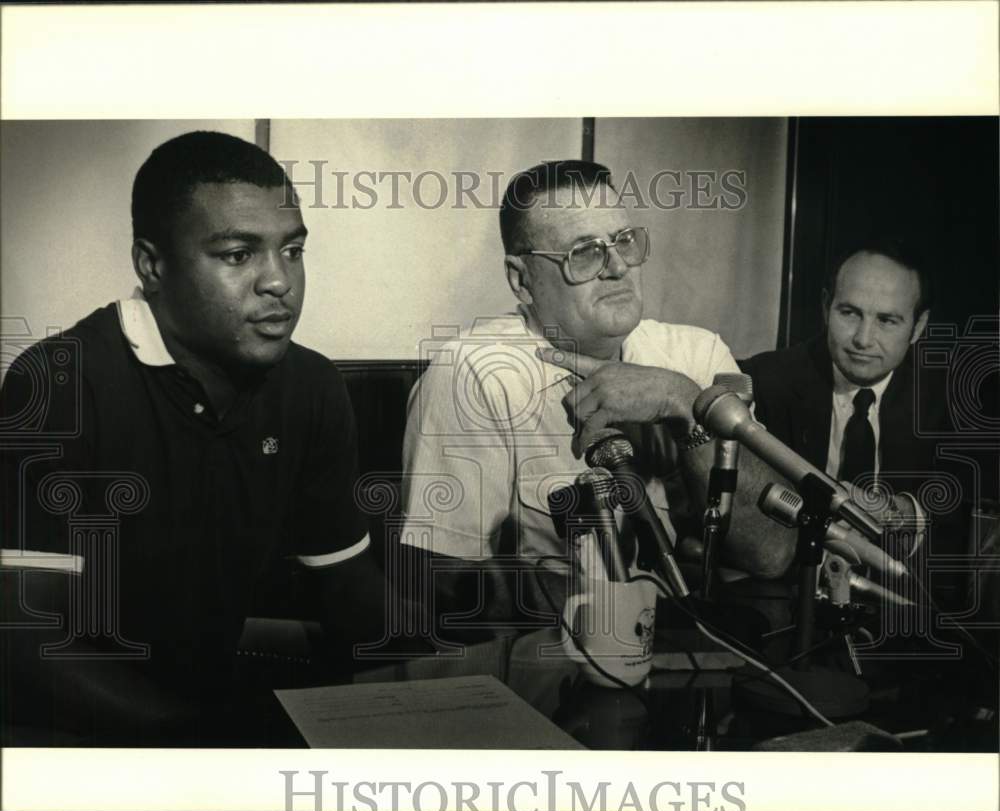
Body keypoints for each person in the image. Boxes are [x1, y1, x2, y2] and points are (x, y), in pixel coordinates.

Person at [0, 131, 391, 745]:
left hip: (209, 703)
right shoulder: (60, 385)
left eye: (292, 250)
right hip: (68, 730)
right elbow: (27, 639)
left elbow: (349, 589)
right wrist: (211, 740)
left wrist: (454, 670)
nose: (279, 282)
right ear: (151, 265)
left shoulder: (311, 385)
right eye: (238, 254)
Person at [398, 160, 797, 637]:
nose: (617, 267)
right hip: (552, 670)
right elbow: (444, 587)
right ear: (522, 281)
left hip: (698, 660)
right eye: (584, 252)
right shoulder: (474, 374)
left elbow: (771, 553)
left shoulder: (697, 355)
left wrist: (682, 401)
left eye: (624, 241)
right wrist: (638, 610)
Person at [742, 237, 947, 552]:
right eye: (850, 313)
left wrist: (904, 513)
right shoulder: (765, 381)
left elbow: (966, 511)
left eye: (887, 320)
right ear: (826, 308)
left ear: (918, 327)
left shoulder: (949, 400)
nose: (863, 339)